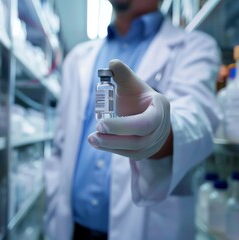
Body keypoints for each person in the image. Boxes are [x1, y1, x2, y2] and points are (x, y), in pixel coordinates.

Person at [43, 0, 221, 239]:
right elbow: (61, 145)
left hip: (144, 228)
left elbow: (197, 115)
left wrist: (161, 132)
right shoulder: (78, 58)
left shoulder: (194, 47)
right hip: (71, 227)